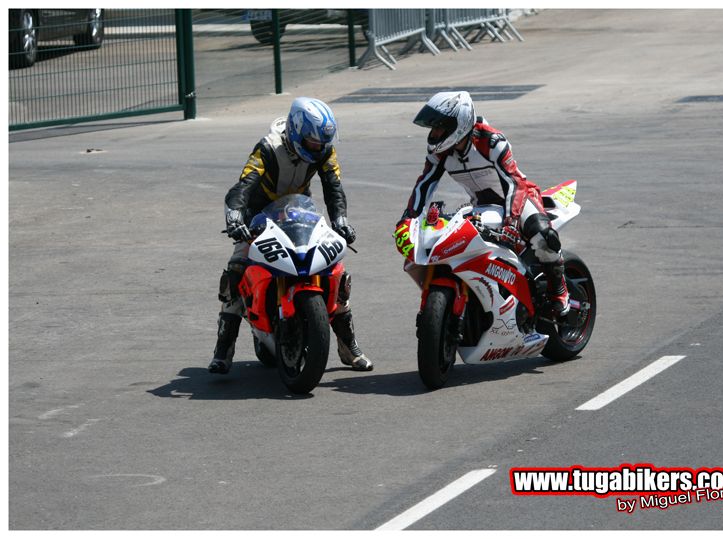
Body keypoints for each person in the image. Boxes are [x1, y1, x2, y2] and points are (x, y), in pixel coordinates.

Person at [209, 97, 373, 374]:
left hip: (299, 212)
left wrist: (341, 221)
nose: (318, 148)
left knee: (333, 270)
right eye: (313, 142)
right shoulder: (268, 147)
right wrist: (235, 217)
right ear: (297, 131)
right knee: (236, 270)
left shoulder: (324, 151)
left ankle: (349, 346)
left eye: (323, 143)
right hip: (257, 216)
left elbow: (334, 188)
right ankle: (224, 349)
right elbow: (243, 185)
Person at [398, 91, 569, 315]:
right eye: (433, 128)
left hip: (519, 199)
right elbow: (425, 184)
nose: (434, 133)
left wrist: (511, 221)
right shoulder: (441, 152)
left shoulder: (492, 141)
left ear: (458, 124)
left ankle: (560, 292)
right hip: (482, 205)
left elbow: (513, 183)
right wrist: (409, 219)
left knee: (542, 236)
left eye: (440, 127)